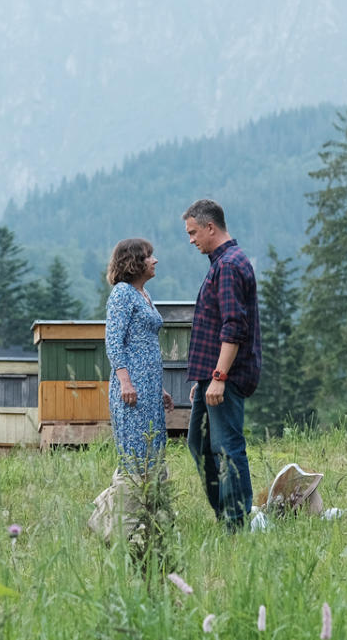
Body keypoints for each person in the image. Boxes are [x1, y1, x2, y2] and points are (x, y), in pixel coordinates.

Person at [182, 199, 262, 531]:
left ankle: (237, 523)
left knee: (227, 447)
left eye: (193, 232)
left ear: (210, 227)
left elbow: (234, 326)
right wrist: (203, 378)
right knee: (199, 444)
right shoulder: (221, 263)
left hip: (225, 376)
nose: (191, 240)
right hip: (211, 376)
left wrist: (218, 376)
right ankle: (226, 515)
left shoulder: (228, 265)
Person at [104, 238, 173, 475]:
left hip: (149, 386)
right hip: (132, 387)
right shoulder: (122, 293)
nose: (154, 260)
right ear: (133, 262)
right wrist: (125, 381)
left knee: (153, 450)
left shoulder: (143, 293)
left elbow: (144, 342)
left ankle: (151, 507)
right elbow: (113, 341)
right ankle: (124, 507)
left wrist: (159, 388)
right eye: (148, 256)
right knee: (136, 455)